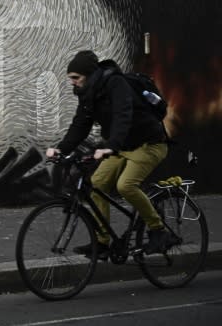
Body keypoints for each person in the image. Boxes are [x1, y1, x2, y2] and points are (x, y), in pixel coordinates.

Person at [46, 50, 173, 257]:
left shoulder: (115, 84)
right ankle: (102, 242)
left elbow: (124, 115)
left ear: (88, 75)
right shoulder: (88, 94)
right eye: (70, 78)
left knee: (126, 185)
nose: (72, 83)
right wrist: (61, 149)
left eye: (75, 78)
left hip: (149, 144)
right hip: (122, 147)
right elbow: (80, 124)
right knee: (96, 185)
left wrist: (111, 145)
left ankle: (158, 230)